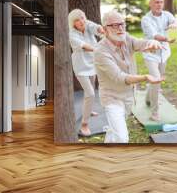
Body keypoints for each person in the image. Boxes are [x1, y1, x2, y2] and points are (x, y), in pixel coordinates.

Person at [94, 11, 165, 143]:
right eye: (114, 25)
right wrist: (145, 77)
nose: (120, 28)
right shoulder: (100, 51)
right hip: (112, 98)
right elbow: (120, 78)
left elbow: (139, 43)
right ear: (104, 29)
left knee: (115, 128)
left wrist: (151, 42)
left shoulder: (125, 37)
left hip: (128, 98)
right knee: (122, 138)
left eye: (122, 24)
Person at [141, 0, 177, 121]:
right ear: (150, 4)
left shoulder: (167, 15)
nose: (159, 5)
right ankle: (155, 112)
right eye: (156, 2)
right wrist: (167, 39)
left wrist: (175, 23)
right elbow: (155, 35)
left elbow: (175, 20)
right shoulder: (146, 19)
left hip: (164, 53)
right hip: (151, 54)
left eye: (161, 2)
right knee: (157, 79)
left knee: (156, 81)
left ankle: (148, 98)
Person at [68, 9, 104, 137]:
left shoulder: (86, 23)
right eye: (77, 20)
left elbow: (96, 27)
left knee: (91, 90)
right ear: (73, 24)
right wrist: (99, 49)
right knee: (90, 93)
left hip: (92, 63)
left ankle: (88, 110)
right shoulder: (72, 34)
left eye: (82, 18)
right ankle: (84, 124)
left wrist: (101, 29)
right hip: (81, 67)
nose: (81, 21)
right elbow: (86, 46)